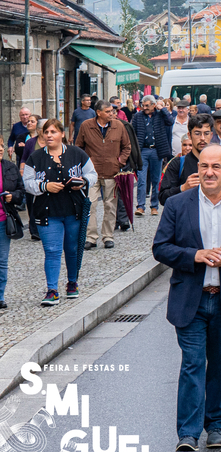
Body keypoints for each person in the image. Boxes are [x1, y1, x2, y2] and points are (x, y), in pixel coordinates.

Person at [153, 144, 221, 452]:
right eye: (203, 166)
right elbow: (160, 247)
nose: (209, 172)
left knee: (220, 366)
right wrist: (195, 255)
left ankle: (216, 425)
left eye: (216, 166)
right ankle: (188, 433)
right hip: (191, 298)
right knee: (192, 363)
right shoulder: (177, 204)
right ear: (197, 169)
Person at [23, 119, 98, 307]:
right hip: (47, 212)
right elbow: (27, 183)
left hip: (73, 211)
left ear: (62, 134)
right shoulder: (36, 157)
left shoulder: (76, 153)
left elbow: (92, 174)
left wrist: (83, 181)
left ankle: (72, 283)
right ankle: (52, 290)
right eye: (46, 132)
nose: (49, 135)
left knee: (72, 249)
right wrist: (44, 186)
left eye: (53, 132)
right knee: (52, 250)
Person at [75, 100, 131, 251]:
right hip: (91, 173)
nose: (111, 114)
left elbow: (127, 147)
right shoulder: (86, 126)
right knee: (91, 205)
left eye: (112, 111)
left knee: (110, 206)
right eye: (108, 111)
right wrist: (84, 164)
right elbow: (78, 147)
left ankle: (108, 236)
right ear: (98, 112)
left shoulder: (118, 125)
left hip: (112, 172)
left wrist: (120, 161)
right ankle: (91, 237)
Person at [159, 114, 221, 206]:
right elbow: (163, 197)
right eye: (197, 133)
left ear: (211, 135)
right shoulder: (178, 163)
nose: (202, 138)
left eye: (206, 133)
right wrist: (182, 188)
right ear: (189, 135)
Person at [131, 95, 174, 216]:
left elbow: (170, 121)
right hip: (142, 151)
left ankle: (154, 206)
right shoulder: (138, 116)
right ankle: (140, 206)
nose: (144, 108)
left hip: (156, 150)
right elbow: (132, 131)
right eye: (143, 105)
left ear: (154, 105)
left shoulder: (160, 114)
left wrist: (163, 109)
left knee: (156, 180)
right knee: (142, 179)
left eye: (147, 106)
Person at [0, 153, 25, 309]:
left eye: (1, 146)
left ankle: (0, 296)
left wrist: (13, 196)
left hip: (3, 220)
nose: (0, 149)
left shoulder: (10, 168)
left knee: (2, 261)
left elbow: (21, 192)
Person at [18, 114, 42, 240]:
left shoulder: (52, 143)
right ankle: (34, 231)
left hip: (46, 177)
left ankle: (43, 226)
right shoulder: (31, 142)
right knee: (31, 202)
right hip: (31, 175)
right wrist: (22, 170)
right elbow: (24, 158)